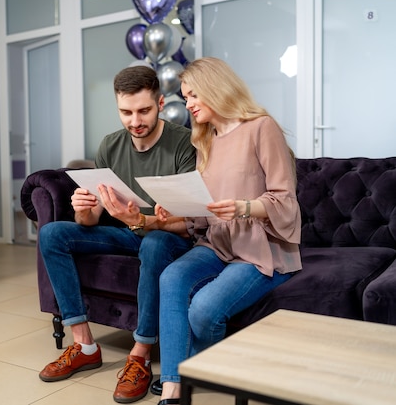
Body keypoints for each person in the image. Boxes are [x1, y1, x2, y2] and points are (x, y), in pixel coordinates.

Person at [38, 65, 197, 404]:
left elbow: (191, 220)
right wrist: (82, 206)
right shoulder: (111, 144)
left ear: (160, 102)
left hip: (167, 237)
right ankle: (84, 345)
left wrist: (142, 219)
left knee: (153, 243)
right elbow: (91, 219)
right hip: (126, 233)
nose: (134, 120)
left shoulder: (185, 143)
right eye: (126, 112)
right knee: (53, 234)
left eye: (143, 110)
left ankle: (139, 356)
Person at [153, 57, 302, 405]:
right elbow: (203, 217)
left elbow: (286, 200)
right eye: (184, 96)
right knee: (172, 277)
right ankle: (174, 387)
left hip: (260, 246)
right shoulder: (205, 140)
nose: (187, 104)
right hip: (217, 243)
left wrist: (243, 206)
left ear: (214, 89)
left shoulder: (261, 127)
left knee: (204, 311)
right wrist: (172, 211)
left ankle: (208, 370)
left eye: (192, 95)